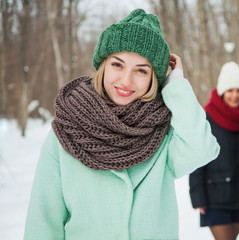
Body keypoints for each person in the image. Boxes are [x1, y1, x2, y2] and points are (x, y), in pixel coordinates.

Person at [24, 9, 220, 240]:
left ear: (154, 79)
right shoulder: (68, 129)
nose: (126, 80)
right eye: (118, 65)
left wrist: (176, 85)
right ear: (103, 65)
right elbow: (43, 221)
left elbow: (202, 149)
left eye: (141, 70)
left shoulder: (163, 132)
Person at [189, 62, 239, 240]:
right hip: (213, 197)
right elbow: (197, 159)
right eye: (230, 90)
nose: (235, 95)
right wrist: (198, 197)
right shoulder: (207, 118)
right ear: (222, 92)